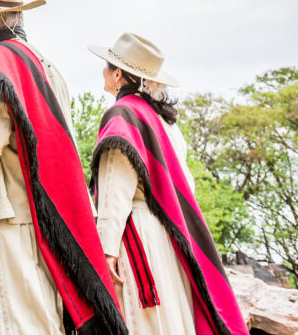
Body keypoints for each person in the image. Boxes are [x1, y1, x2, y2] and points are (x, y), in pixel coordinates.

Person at [0, 0, 125, 335]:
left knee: (21, 325)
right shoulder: (47, 64)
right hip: (52, 217)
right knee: (47, 320)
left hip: (11, 216)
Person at [90, 33, 248, 335]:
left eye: (107, 66)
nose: (103, 72)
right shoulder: (164, 122)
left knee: (145, 323)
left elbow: (114, 191)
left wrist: (106, 249)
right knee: (173, 320)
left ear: (119, 74)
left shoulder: (122, 116)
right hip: (168, 234)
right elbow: (186, 185)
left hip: (136, 235)